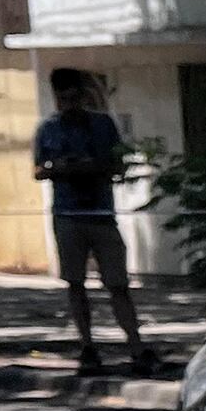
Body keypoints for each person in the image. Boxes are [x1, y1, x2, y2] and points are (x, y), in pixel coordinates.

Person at [32, 69, 154, 376]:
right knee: (75, 284)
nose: (68, 104)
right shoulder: (47, 129)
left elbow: (118, 165)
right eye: (62, 99)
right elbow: (37, 170)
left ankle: (136, 346)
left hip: (101, 214)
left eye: (73, 97)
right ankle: (87, 346)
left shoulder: (102, 125)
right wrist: (60, 168)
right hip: (67, 215)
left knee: (117, 283)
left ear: (83, 96)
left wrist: (93, 166)